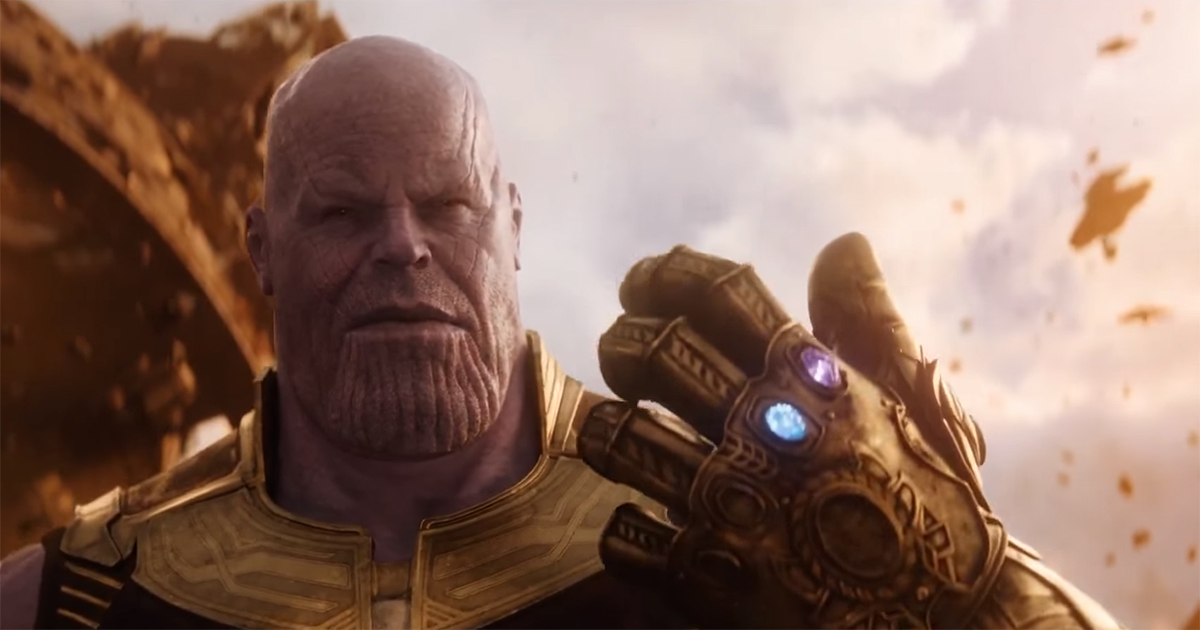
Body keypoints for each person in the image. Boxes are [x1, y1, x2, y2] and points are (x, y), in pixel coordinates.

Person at [0, 36, 1121, 630]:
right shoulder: (76, 598)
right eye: (340, 212)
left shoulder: (733, 557)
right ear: (260, 247)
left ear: (514, 226)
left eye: (447, 205)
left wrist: (983, 604)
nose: (402, 246)